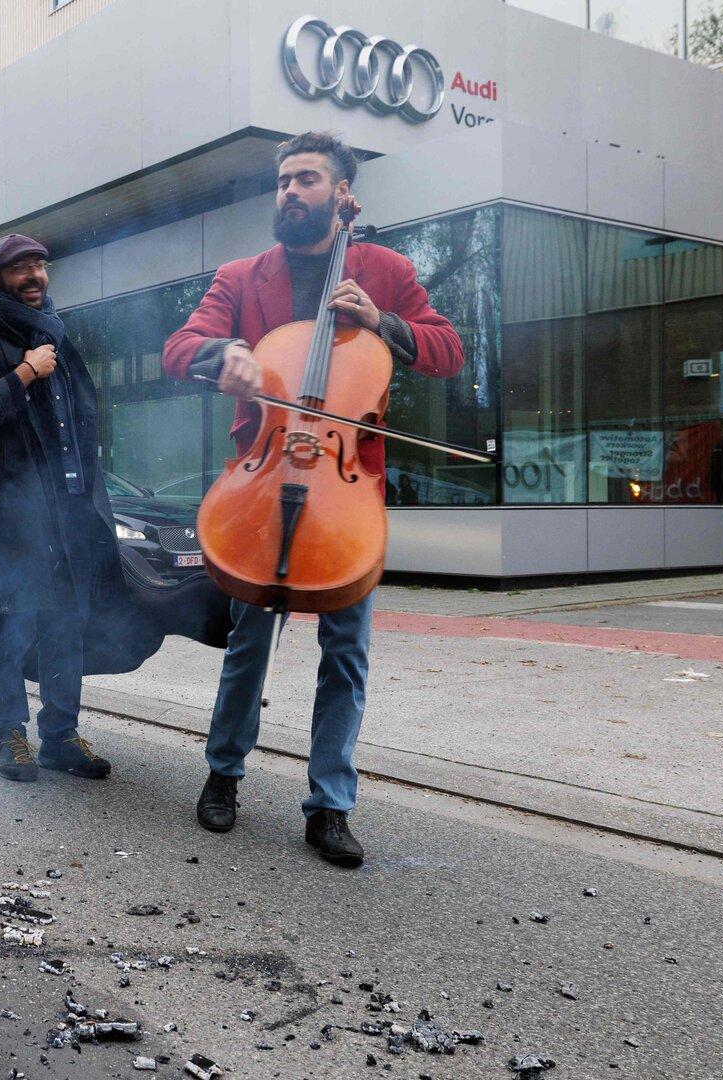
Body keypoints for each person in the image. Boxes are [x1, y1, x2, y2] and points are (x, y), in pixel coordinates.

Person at [162, 131, 466, 867]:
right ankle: (223, 774)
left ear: (340, 192)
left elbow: (448, 349)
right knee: (248, 641)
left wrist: (384, 324)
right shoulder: (242, 275)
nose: (289, 192)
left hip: (343, 487)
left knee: (347, 653)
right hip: (264, 481)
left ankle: (330, 804)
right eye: (282, 181)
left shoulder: (384, 270)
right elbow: (181, 345)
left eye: (305, 180)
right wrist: (221, 354)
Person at [0, 232, 116, 783]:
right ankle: (9, 735)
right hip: (6, 515)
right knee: (7, 625)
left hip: (67, 509)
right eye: (21, 268)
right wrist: (25, 373)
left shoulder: (55, 332)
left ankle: (59, 737)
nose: (35, 275)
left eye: (40, 265)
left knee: (66, 626)